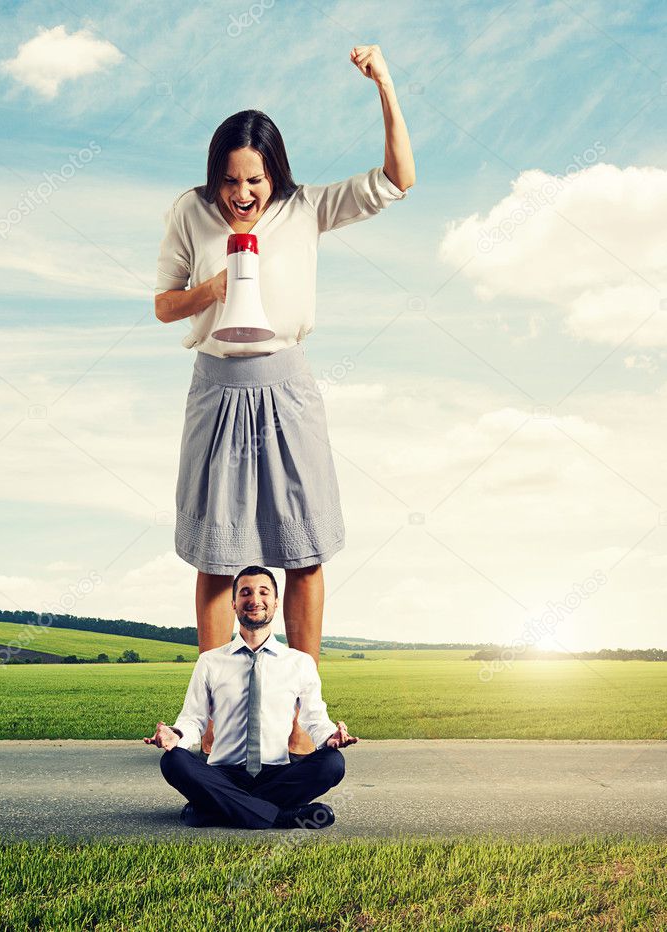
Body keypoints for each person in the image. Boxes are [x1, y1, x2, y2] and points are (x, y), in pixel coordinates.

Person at [154, 45, 415, 755]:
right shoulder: (189, 212)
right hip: (215, 387)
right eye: (231, 181)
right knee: (215, 555)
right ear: (215, 177)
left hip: (287, 386)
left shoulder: (305, 209)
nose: (242, 194)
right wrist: (208, 290)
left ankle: (303, 722)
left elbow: (399, 179)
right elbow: (161, 305)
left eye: (255, 179)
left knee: (302, 552)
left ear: (275, 174)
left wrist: (383, 84)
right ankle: (207, 725)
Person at [144, 565, 358, 830]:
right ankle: (282, 817)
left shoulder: (299, 663)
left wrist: (331, 737)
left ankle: (213, 811)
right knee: (174, 761)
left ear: (276, 602)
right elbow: (193, 720)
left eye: (263, 592)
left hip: (277, 772)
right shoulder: (210, 661)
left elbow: (315, 719)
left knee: (332, 764)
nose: (255, 600)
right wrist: (176, 735)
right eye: (245, 592)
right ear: (234, 604)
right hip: (224, 773)